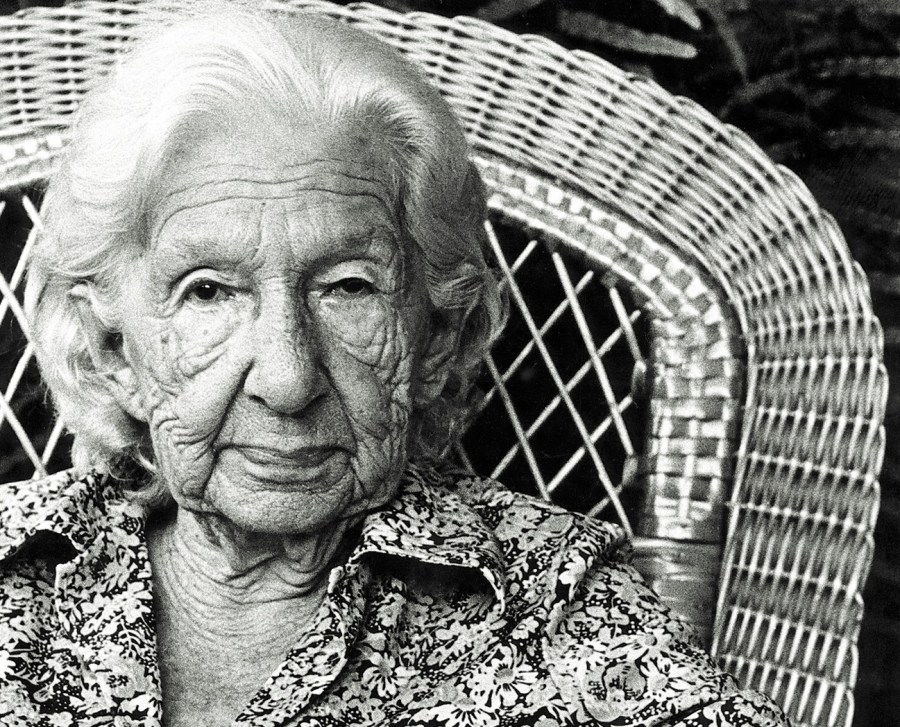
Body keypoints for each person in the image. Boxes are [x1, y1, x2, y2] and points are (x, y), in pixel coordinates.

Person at [0, 5, 787, 726]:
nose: (287, 379)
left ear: (438, 334)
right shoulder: (17, 566)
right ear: (113, 349)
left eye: (349, 287)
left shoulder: (552, 606)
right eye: (209, 291)